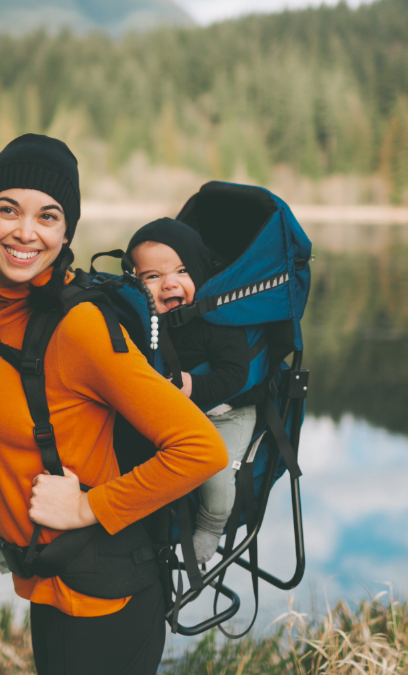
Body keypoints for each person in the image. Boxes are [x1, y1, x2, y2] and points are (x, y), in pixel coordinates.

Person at [0, 134, 228, 675]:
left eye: (47, 217)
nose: (26, 232)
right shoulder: (1, 313)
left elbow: (201, 449)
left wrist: (84, 508)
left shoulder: (79, 327)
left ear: (66, 232)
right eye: (9, 209)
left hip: (104, 597)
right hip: (54, 582)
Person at [126, 218, 258, 563]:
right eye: (152, 277)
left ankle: (212, 524)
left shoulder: (217, 320)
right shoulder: (144, 323)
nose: (169, 283)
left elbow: (235, 376)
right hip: (175, 417)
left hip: (226, 415)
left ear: (199, 273)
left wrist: (192, 385)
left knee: (214, 470)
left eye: (182, 271)